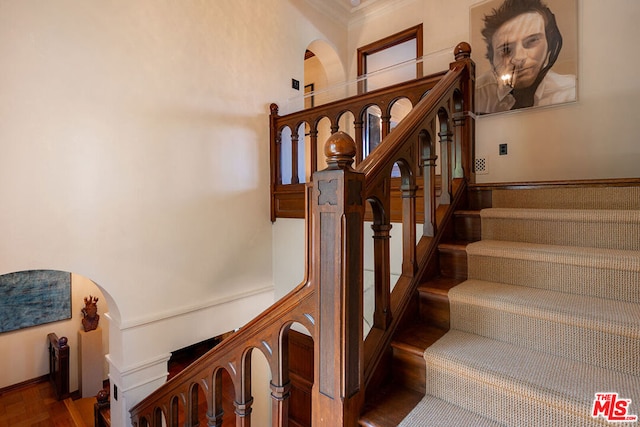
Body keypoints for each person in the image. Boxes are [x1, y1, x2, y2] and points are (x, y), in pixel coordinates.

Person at [476, 0, 576, 114]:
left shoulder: (570, 91)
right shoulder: (476, 95)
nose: (519, 58)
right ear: (492, 58)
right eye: (506, 50)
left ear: (550, 43)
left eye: (532, 41)